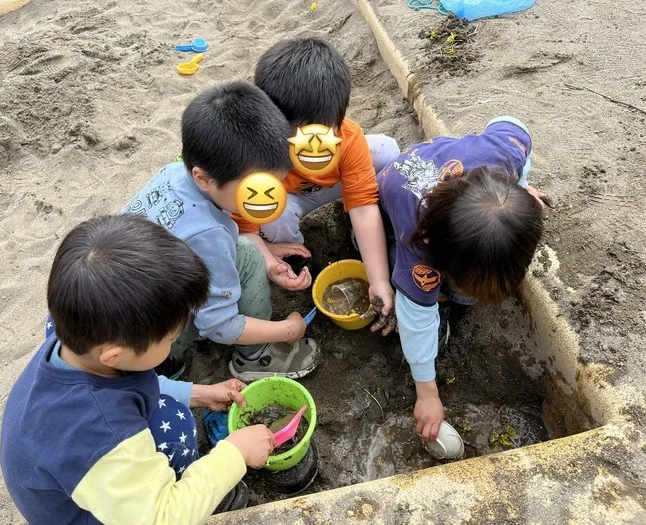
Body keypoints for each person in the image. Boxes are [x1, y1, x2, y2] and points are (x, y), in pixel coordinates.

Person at [0, 214, 276, 525]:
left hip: (70, 469)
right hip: (93, 513)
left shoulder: (76, 334)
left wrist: (199, 394)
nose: (173, 344)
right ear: (114, 355)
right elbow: (162, 517)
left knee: (172, 411)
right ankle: (197, 490)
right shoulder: (105, 435)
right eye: (171, 339)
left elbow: (134, 382)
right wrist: (234, 454)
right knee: (175, 426)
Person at [122, 81, 318, 381]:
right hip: (147, 344)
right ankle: (256, 357)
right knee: (249, 254)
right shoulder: (206, 233)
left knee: (246, 249)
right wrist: (287, 329)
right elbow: (220, 325)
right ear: (204, 178)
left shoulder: (175, 174)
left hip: (126, 320)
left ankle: (166, 364)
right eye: (255, 190)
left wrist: (271, 253)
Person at [376, 117, 547, 444]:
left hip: (441, 178)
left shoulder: (506, 154)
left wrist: (521, 191)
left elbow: (511, 123)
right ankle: (438, 292)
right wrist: (427, 393)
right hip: (390, 196)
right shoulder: (419, 243)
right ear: (440, 262)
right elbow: (415, 318)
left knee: (466, 292)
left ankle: (459, 294)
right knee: (409, 285)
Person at [232, 37, 399, 335]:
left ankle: (374, 233)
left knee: (387, 151)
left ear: (338, 119)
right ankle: (297, 256)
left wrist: (379, 280)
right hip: (290, 197)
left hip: (337, 182)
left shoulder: (348, 138)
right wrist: (270, 259)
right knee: (274, 216)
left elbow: (363, 207)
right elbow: (245, 229)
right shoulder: (259, 161)